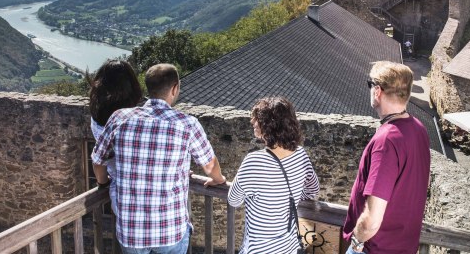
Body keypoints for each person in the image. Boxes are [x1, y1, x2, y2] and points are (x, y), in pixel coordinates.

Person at [92, 63, 226, 254]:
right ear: (174, 88)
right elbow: (209, 165)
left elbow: (98, 161)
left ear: (148, 87)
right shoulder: (187, 124)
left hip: (132, 232)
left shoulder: (119, 118)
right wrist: (218, 180)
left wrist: (104, 184)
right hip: (170, 231)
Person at [343, 61, 430, 254]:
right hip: (404, 247)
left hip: (375, 249)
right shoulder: (419, 129)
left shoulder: (387, 141)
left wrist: (355, 246)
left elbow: (372, 221)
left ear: (377, 91)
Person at [228, 97, 320, 254]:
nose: (252, 121)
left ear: (269, 125)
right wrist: (290, 195)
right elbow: (313, 190)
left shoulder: (254, 161)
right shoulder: (300, 155)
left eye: (257, 118)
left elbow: (234, 200)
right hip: (288, 248)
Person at [88, 59, 143, 215]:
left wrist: (103, 183)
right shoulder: (139, 117)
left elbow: (99, 161)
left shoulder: (97, 117)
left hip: (122, 192)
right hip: (154, 189)